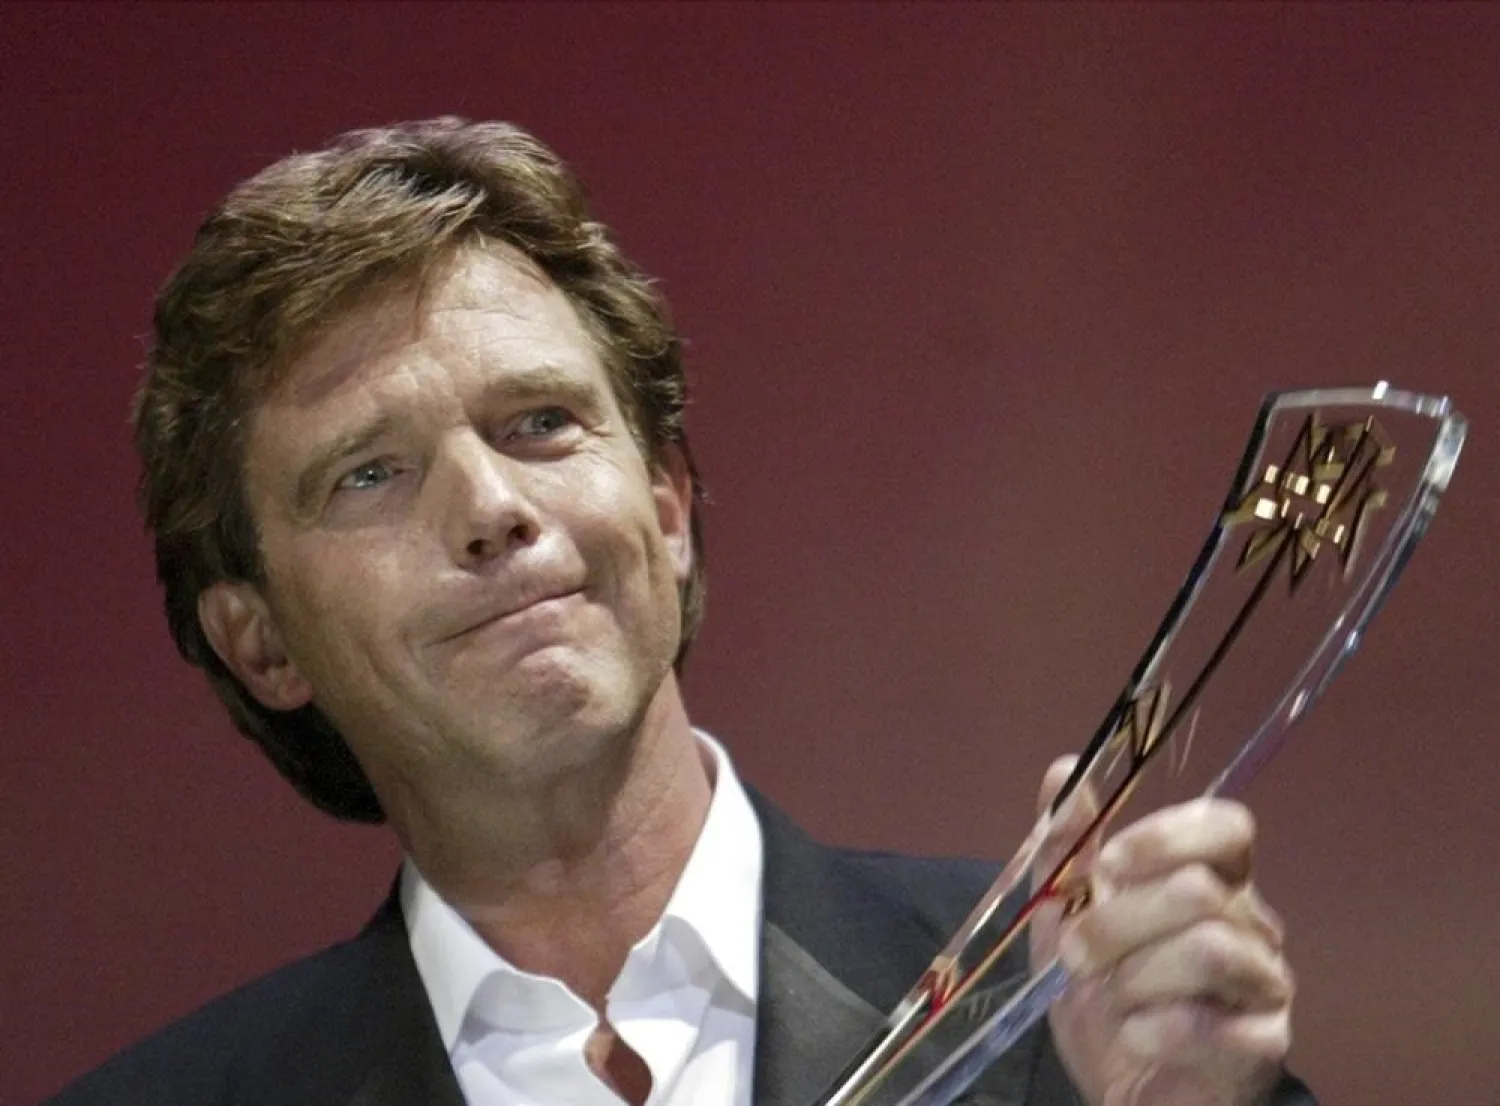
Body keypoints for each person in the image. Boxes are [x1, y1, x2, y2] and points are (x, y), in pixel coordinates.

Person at [50, 118, 1312, 1106]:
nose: (492, 506)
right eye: (370, 472)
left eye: (540, 421)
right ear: (261, 640)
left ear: (666, 504)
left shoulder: (1067, 1018)